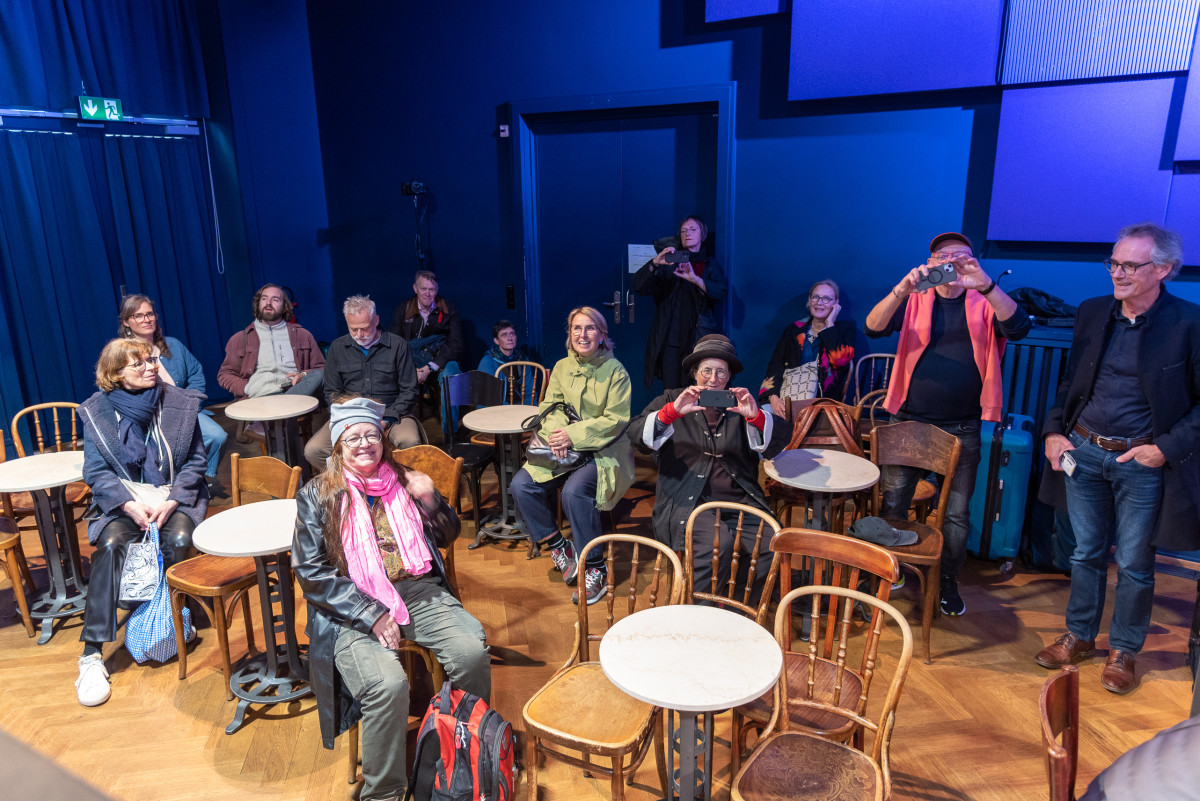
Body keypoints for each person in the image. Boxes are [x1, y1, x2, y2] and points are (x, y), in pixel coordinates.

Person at [293, 397, 489, 801]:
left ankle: (468, 753)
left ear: (383, 439)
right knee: (387, 685)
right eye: (353, 438)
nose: (364, 444)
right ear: (338, 445)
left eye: (371, 435)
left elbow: (447, 537)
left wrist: (432, 500)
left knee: (470, 652)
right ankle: (384, 792)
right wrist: (371, 613)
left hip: (414, 587)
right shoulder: (318, 494)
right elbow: (311, 572)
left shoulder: (405, 479)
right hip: (350, 604)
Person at [1036, 223, 1200, 694]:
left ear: (1163, 269)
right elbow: (1070, 385)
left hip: (1141, 462)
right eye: (1114, 262)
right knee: (1084, 552)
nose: (1119, 273)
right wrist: (1052, 433)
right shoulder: (1092, 313)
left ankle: (1125, 650)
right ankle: (1080, 636)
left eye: (1131, 265)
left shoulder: (1189, 325)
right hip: (1084, 453)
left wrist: (1163, 449)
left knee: (1132, 562)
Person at [865, 232, 1032, 615]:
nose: (952, 262)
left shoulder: (986, 299)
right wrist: (901, 289)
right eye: (943, 256)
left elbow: (1020, 329)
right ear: (930, 262)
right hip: (908, 420)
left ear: (972, 262)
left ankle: (947, 579)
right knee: (894, 502)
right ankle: (895, 570)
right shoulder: (915, 298)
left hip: (962, 426)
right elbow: (873, 327)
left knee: (956, 513)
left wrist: (985, 284)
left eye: (962, 256)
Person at [74, 338, 209, 707]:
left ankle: (176, 618)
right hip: (127, 501)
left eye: (151, 360)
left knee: (180, 536)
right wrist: (127, 504)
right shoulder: (97, 411)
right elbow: (96, 472)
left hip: (173, 496)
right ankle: (90, 655)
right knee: (113, 545)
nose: (152, 367)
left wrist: (173, 499)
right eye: (140, 364)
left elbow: (196, 461)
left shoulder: (179, 402)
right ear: (116, 374)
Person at [632, 335, 788, 598]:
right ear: (695, 373)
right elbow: (636, 435)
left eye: (721, 372)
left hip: (741, 500)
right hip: (688, 501)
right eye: (706, 371)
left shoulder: (741, 403)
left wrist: (757, 418)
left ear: (728, 377)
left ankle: (740, 607)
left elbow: (781, 441)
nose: (713, 378)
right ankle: (701, 613)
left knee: (770, 543)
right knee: (719, 544)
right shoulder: (673, 398)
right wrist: (672, 412)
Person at [510, 306, 635, 606]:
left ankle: (595, 567)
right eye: (576, 328)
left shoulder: (615, 372)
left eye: (590, 328)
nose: (583, 334)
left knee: (574, 492)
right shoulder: (562, 367)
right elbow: (548, 405)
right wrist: (558, 437)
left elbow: (615, 421)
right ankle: (559, 545)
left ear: (602, 334)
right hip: (562, 448)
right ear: (569, 334)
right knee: (520, 485)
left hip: (603, 450)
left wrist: (574, 436)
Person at [118, 294, 228, 489]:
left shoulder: (173, 345)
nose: (146, 319)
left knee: (217, 436)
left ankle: (198, 480)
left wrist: (191, 402)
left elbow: (195, 373)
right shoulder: (122, 353)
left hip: (184, 408)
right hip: (150, 415)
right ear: (126, 322)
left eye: (150, 314)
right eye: (139, 316)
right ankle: (172, 484)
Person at [303, 296, 423, 472]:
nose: (359, 335)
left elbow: (410, 390)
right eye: (354, 329)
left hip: (392, 414)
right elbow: (332, 393)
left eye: (365, 328)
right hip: (350, 416)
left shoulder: (398, 345)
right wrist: (352, 419)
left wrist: (386, 418)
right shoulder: (338, 348)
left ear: (376, 320)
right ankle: (354, 484)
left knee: (410, 442)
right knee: (314, 451)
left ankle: (399, 487)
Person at [632, 215, 728, 389]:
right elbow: (639, 287)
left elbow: (720, 291)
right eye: (683, 231)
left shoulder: (709, 264)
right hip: (671, 339)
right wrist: (654, 263)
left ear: (703, 235)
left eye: (693, 229)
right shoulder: (669, 263)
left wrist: (695, 279)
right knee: (672, 391)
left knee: (701, 389)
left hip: (698, 339)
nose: (687, 234)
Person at [759, 279, 857, 415]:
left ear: (836, 304)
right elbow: (776, 364)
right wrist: (773, 396)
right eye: (816, 297)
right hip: (788, 398)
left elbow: (840, 361)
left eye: (827, 299)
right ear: (809, 300)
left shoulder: (845, 329)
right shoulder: (794, 329)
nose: (819, 302)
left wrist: (829, 323)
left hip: (824, 404)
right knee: (759, 416)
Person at [216, 283, 325, 401]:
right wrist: (246, 388)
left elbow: (321, 368)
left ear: (284, 307)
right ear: (258, 304)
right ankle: (283, 409)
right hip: (259, 397)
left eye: (275, 299)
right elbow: (225, 374)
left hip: (295, 392)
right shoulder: (240, 339)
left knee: (319, 375)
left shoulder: (303, 335)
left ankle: (285, 404)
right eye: (264, 299)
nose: (268, 303)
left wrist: (303, 374)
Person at [388, 270, 464, 390]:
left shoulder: (448, 309)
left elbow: (455, 344)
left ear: (437, 290)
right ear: (415, 288)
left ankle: (448, 409)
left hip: (440, 359)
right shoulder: (403, 310)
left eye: (431, 290)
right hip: (410, 360)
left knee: (451, 375)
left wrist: (431, 366)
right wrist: (412, 369)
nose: (427, 294)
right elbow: (395, 342)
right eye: (423, 289)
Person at [477, 319, 538, 405]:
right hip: (496, 409)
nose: (510, 338)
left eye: (512, 334)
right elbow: (486, 397)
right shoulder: (488, 361)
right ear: (496, 341)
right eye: (504, 335)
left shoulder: (523, 359)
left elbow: (529, 391)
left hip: (519, 406)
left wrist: (531, 410)